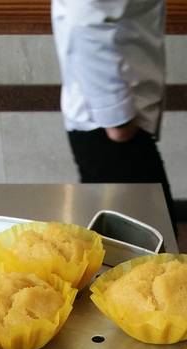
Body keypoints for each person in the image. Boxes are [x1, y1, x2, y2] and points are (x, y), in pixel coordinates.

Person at [51, 0, 176, 230]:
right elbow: (85, 20)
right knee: (148, 232)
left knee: (140, 232)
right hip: (110, 125)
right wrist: (117, 118)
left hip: (112, 119)